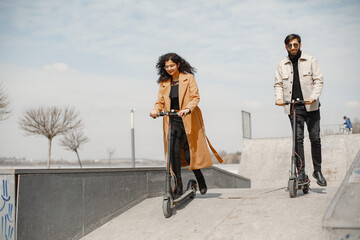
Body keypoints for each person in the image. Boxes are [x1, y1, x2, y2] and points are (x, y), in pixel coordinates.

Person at [150, 53, 223, 198]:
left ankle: (200, 178)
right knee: (173, 154)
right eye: (167, 66)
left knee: (190, 155)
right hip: (172, 120)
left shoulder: (188, 78)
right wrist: (155, 110)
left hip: (188, 119)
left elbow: (195, 97)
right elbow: (160, 102)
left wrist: (188, 109)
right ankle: (178, 186)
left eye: (172, 65)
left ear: (178, 65)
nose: (169, 69)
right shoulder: (164, 82)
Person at [274, 34, 327, 187]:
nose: (293, 48)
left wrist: (314, 96)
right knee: (297, 140)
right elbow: (277, 84)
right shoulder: (281, 64)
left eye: (295, 45)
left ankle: (317, 170)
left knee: (315, 138)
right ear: (286, 47)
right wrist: (279, 98)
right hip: (293, 107)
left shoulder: (311, 60)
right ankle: (301, 172)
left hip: (311, 106)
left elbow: (318, 80)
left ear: (300, 45)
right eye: (290, 45)